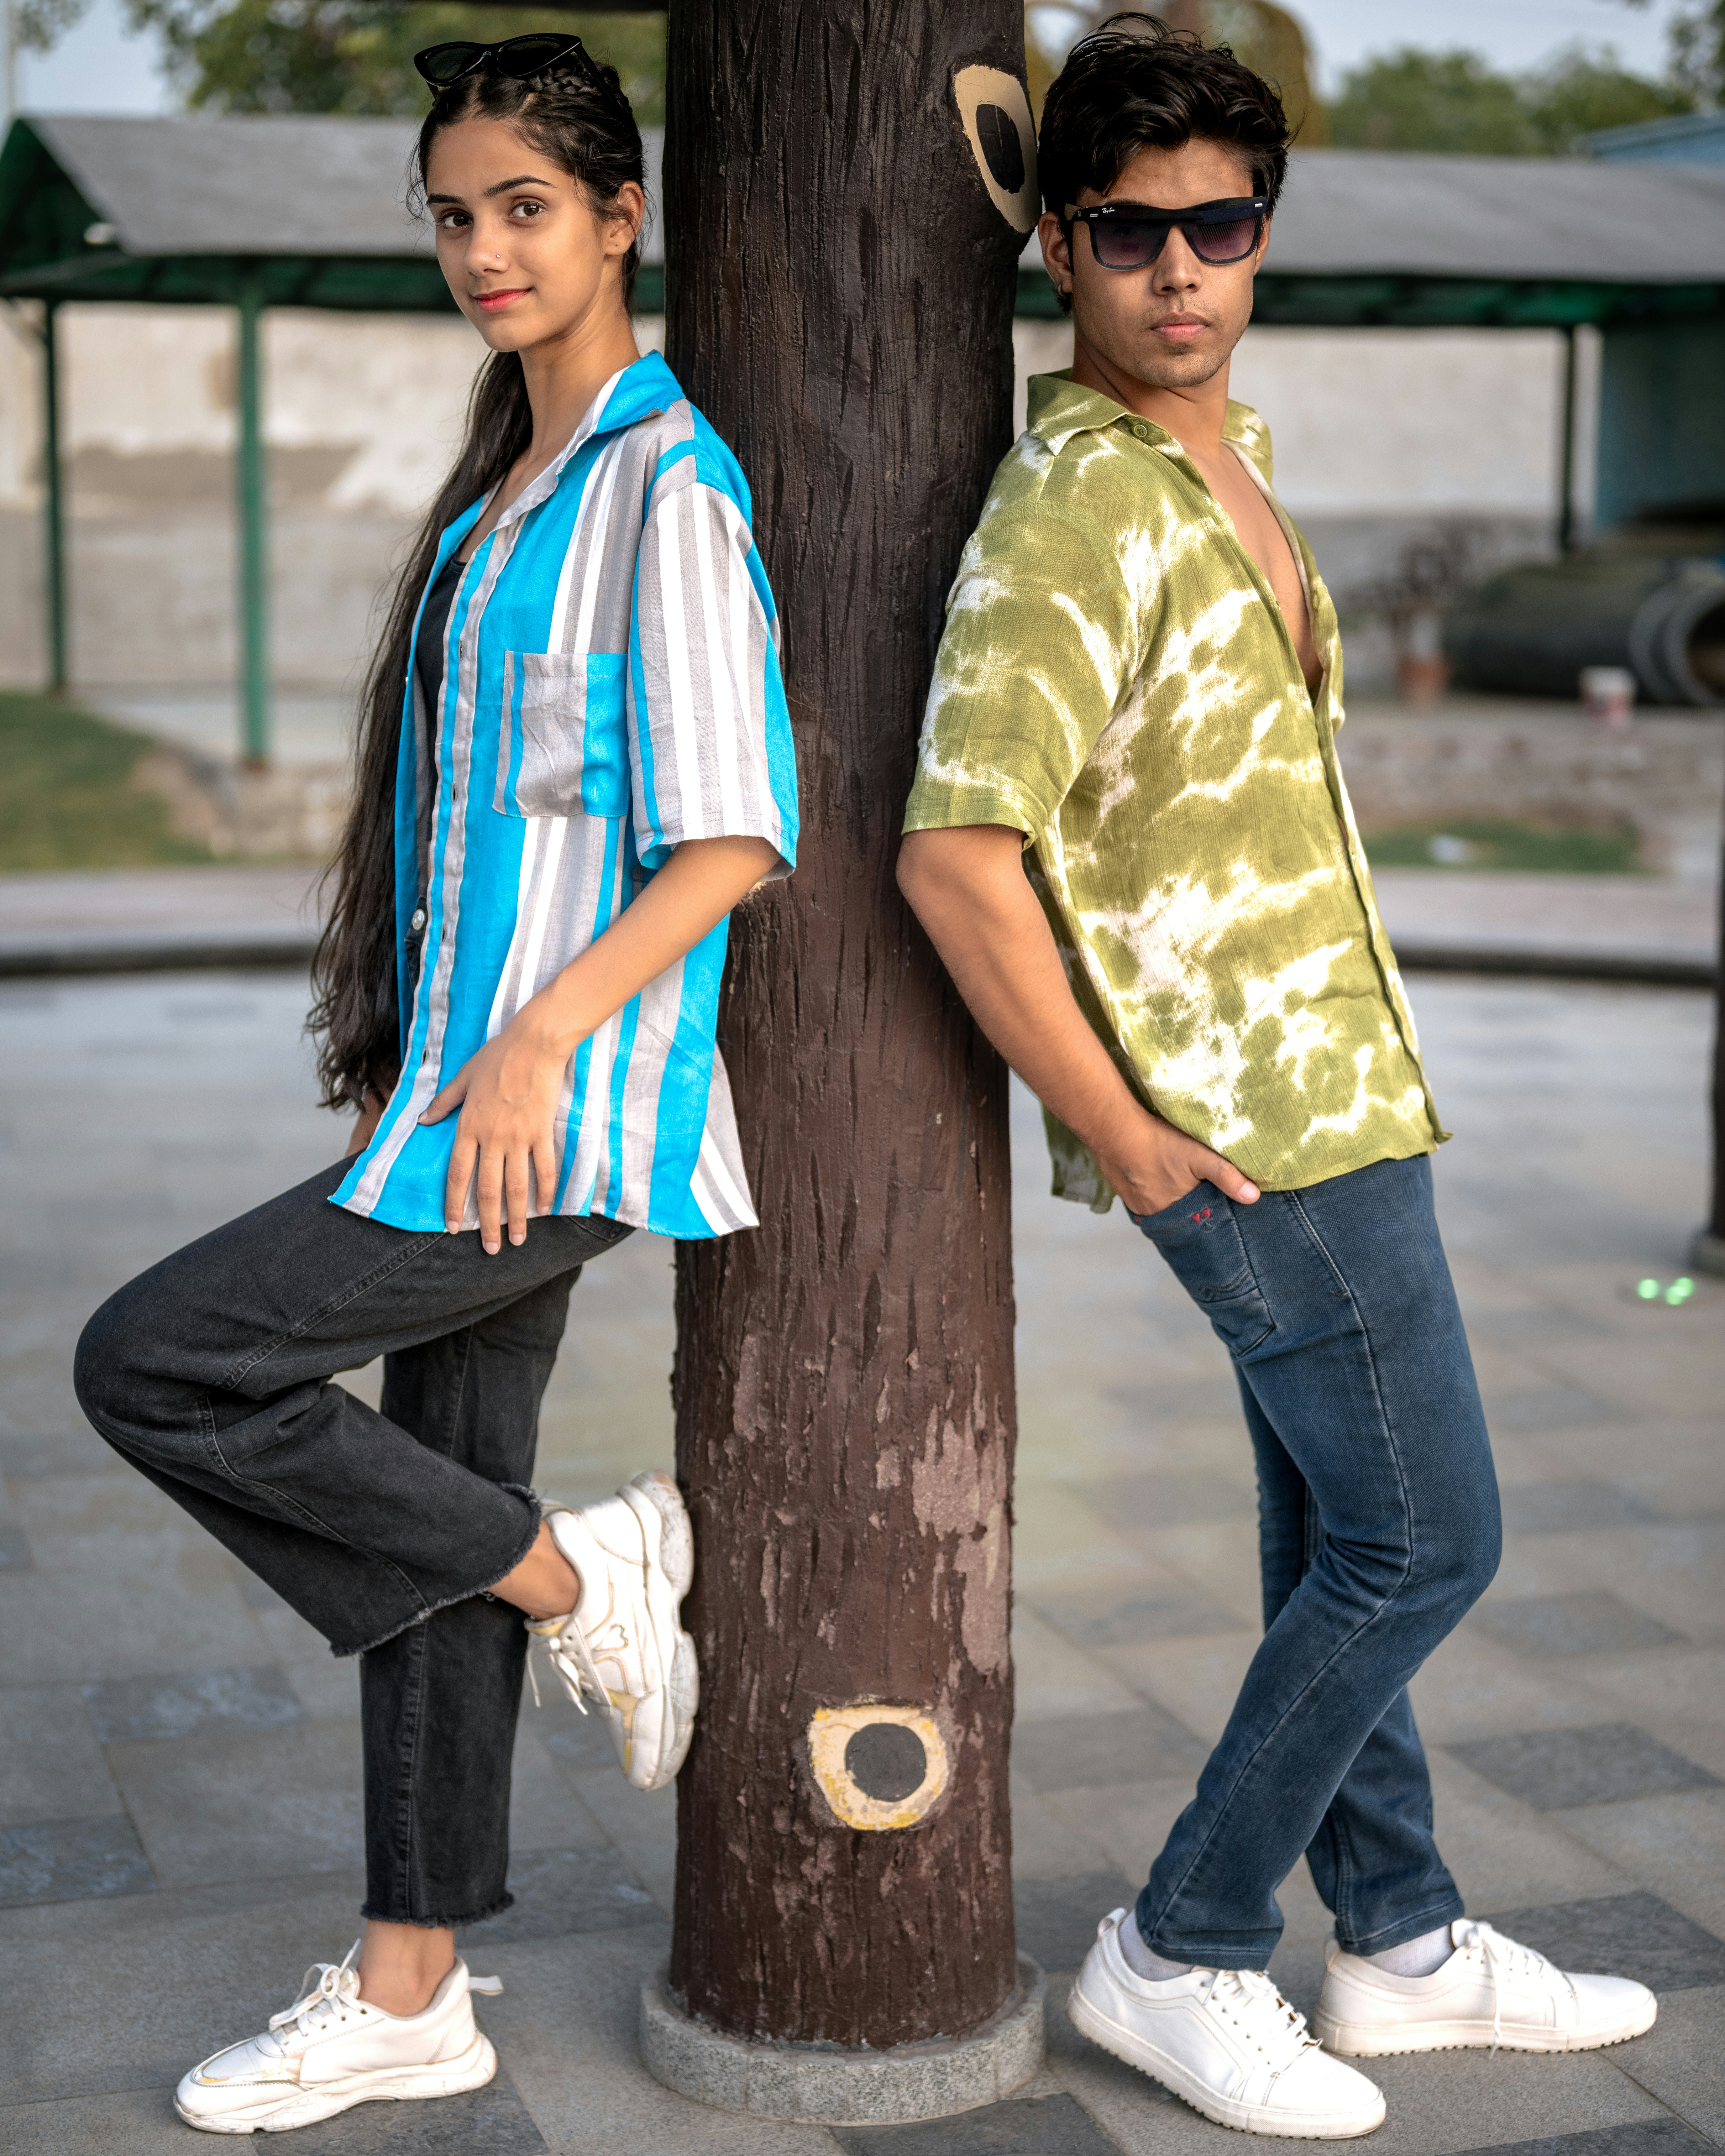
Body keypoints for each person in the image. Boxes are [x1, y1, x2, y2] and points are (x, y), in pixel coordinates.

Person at [898, 15, 1654, 2140]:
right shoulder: (1072, 512)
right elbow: (955, 852)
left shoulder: (1225, 465)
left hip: (1343, 1086)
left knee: (1341, 1527)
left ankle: (1399, 1938)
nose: (1179, 270)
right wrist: (1128, 1139)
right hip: (1247, 1126)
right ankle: (1185, 1942)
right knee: (1430, 1544)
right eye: (1130, 233)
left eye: (1219, 224)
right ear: (1061, 246)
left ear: (1261, 231)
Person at [73, 31, 797, 2138]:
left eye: (528, 209)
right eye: (457, 216)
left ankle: (581, 1577)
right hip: (459, 1102)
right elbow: (547, 800)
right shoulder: (520, 495)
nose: (486, 250)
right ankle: (412, 1991)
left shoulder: (670, 486)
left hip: (554, 1115)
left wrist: (539, 1040)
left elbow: (737, 831)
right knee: (433, 1519)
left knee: (158, 1363)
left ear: (621, 218)